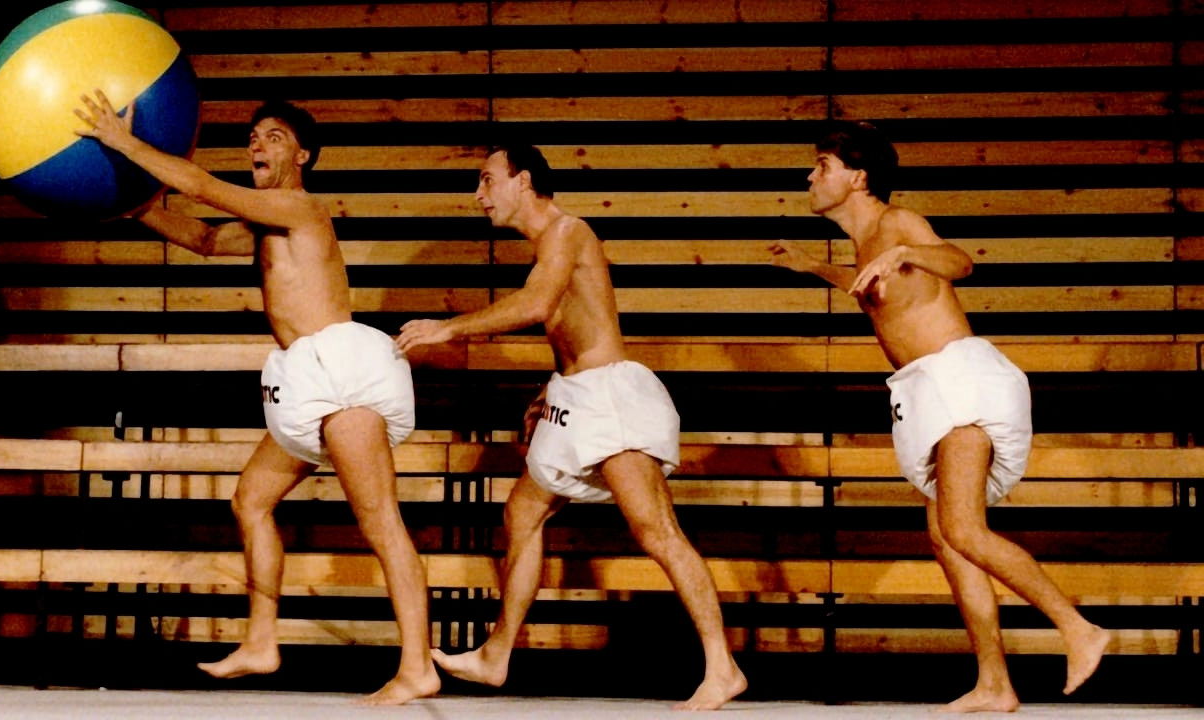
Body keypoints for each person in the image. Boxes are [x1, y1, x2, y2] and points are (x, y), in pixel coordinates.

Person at [74, 92, 439, 705]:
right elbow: (203, 238)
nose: (257, 145)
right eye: (253, 137)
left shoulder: (300, 207)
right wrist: (134, 208)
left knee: (381, 522)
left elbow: (201, 187)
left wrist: (123, 141)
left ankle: (417, 667)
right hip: (305, 380)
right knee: (250, 501)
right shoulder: (267, 222)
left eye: (274, 137)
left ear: (303, 155)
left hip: (343, 378)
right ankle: (262, 642)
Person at [769, 121, 1110, 712]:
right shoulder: (866, 244)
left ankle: (1078, 628)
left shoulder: (897, 224)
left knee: (963, 530)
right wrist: (811, 267)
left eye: (822, 165)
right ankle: (994, 683)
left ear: (858, 177)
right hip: (932, 388)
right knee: (949, 540)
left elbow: (960, 262)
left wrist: (906, 251)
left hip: (961, 380)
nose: (810, 176)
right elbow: (868, 288)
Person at [395, 145, 747, 711]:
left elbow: (537, 304)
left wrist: (448, 329)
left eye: (487, 180)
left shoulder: (569, 231)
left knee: (655, 530)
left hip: (610, 399)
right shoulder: (550, 245)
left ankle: (722, 667)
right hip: (575, 394)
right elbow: (572, 323)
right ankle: (496, 654)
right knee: (522, 512)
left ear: (523, 181)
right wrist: (550, 389)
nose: (479, 195)